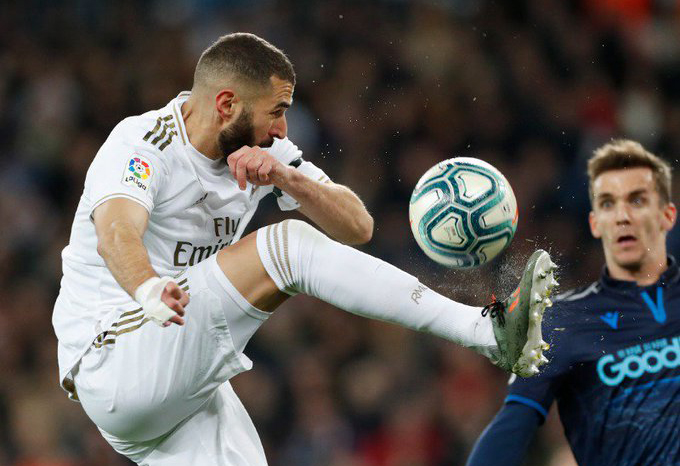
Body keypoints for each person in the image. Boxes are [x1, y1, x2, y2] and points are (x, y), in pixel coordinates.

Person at [52, 33, 555, 466]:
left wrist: (287, 177)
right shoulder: (142, 143)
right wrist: (147, 287)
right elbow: (116, 232)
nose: (282, 129)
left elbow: (358, 226)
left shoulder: (264, 153)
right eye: (276, 112)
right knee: (285, 246)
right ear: (226, 104)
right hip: (116, 348)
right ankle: (484, 332)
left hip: (168, 394)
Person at [465, 139, 680, 466]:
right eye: (608, 203)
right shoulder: (562, 321)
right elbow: (510, 428)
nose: (622, 216)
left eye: (637, 200)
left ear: (667, 215)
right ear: (595, 223)